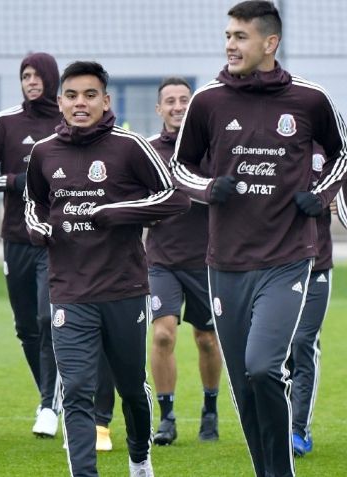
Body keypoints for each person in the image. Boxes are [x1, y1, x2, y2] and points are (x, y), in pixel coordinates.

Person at [170, 2, 347, 475]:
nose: (230, 44)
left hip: (288, 258)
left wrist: (323, 192)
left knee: (265, 366)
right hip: (225, 264)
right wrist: (209, 189)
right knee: (244, 384)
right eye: (228, 35)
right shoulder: (208, 101)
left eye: (241, 36)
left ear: (270, 44)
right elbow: (178, 167)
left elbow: (341, 155)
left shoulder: (310, 100)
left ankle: (282, 468)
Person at [25, 60, 190, 477]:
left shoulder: (130, 147)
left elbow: (175, 198)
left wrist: (121, 212)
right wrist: (38, 226)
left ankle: (140, 461)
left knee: (132, 389)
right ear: (60, 101)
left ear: (106, 100)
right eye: (72, 95)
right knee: (78, 390)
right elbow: (34, 204)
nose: (81, 103)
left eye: (90, 95)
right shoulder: (43, 152)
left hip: (124, 289)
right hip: (69, 291)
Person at [0, 52, 62, 437]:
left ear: (51, 79)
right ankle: (49, 393)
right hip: (15, 238)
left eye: (37, 75)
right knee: (26, 326)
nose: (31, 81)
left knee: (47, 319)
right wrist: (13, 181)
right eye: (25, 75)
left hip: (55, 240)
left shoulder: (65, 121)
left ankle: (49, 405)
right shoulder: (4, 123)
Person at [145, 77, 222, 445]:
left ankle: (210, 409)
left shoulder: (210, 149)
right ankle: (167, 417)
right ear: (159, 109)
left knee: (206, 339)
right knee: (162, 334)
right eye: (170, 101)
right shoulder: (147, 152)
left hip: (207, 259)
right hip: (162, 260)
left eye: (184, 100)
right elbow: (133, 199)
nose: (177, 106)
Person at [288, 144, 333, 457]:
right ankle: (279, 422)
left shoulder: (331, 150)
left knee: (304, 342)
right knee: (276, 353)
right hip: (275, 265)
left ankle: (298, 429)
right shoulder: (269, 142)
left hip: (317, 264)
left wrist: (323, 199)